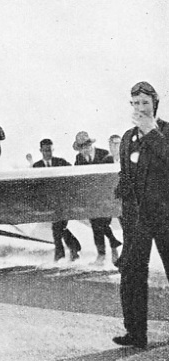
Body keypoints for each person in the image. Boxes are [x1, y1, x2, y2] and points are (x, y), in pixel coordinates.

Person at [113, 81, 169, 349]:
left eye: (145, 103)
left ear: (155, 104)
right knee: (132, 275)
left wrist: (152, 133)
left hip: (166, 217)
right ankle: (136, 333)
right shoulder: (126, 138)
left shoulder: (165, 132)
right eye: (135, 104)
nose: (140, 108)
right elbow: (125, 178)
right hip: (136, 220)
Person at [73, 131, 121, 265]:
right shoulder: (79, 159)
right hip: (92, 200)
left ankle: (113, 248)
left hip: (106, 197)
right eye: (81, 147)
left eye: (85, 146)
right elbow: (77, 179)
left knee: (103, 223)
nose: (84, 150)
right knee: (95, 226)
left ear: (90, 145)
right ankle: (102, 254)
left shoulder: (104, 154)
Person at [32, 139, 81, 261]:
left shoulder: (61, 162)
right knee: (59, 228)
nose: (48, 153)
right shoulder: (36, 166)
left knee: (57, 228)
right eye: (45, 150)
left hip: (63, 202)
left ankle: (60, 255)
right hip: (49, 204)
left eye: (50, 150)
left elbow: (74, 172)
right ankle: (74, 248)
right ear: (41, 150)